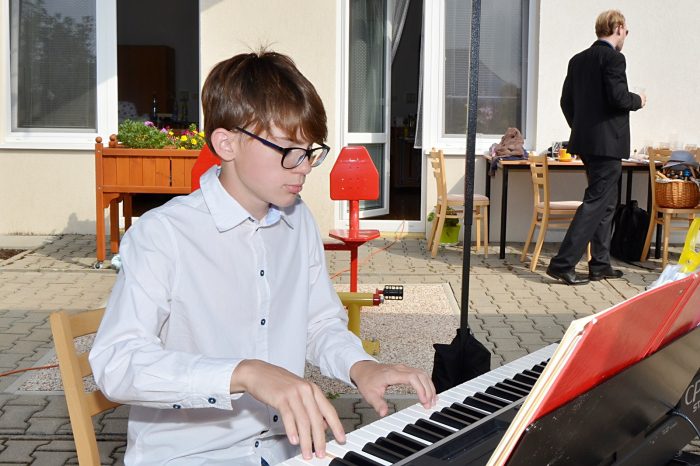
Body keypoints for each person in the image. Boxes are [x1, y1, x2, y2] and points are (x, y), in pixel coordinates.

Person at [89, 50, 436, 465]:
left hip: (284, 449)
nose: (304, 167)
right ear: (227, 143)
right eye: (288, 149)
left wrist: (361, 366)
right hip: (190, 456)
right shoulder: (163, 234)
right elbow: (116, 364)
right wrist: (244, 373)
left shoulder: (299, 220)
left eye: (310, 150)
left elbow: (319, 323)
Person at [546, 10, 646, 286]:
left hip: (587, 145)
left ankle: (600, 265)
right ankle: (562, 264)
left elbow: (566, 102)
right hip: (607, 145)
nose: (626, 36)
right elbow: (618, 98)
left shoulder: (577, 60)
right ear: (618, 28)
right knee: (595, 203)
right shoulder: (614, 58)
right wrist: (638, 99)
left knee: (607, 203)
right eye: (626, 31)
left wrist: (581, 130)